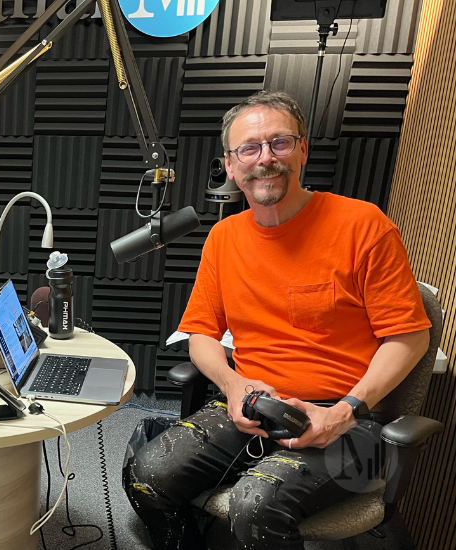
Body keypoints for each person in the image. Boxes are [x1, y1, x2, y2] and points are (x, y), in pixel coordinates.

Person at [122, 91, 431, 550]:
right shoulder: (224, 238)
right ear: (230, 166)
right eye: (249, 148)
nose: (264, 159)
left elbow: (410, 338)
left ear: (303, 149)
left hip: (348, 420)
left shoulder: (364, 226)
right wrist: (231, 385)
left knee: (256, 505)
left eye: (279, 143)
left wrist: (346, 410)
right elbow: (202, 335)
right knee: (147, 476)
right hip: (254, 405)